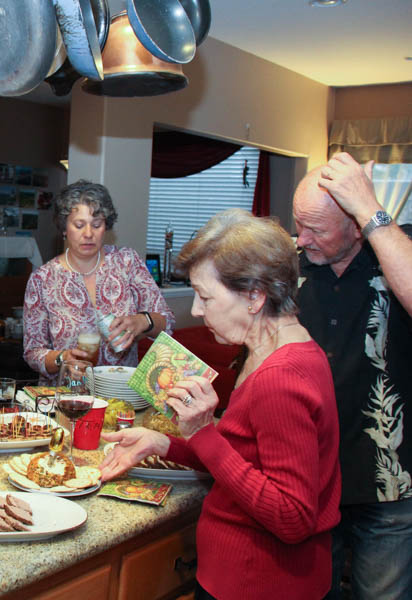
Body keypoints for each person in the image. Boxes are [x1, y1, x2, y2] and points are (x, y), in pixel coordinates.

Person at [100, 209, 341, 600]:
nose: (195, 309)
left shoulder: (280, 379)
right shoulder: (282, 349)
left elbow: (292, 517)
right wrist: (164, 444)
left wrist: (201, 431)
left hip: (257, 582)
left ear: (254, 296)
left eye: (205, 296)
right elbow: (245, 458)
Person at [292, 152, 412, 600]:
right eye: (299, 224)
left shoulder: (397, 249)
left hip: (387, 482)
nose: (302, 239)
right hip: (309, 479)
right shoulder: (293, 264)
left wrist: (370, 209)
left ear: (357, 226)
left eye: (317, 229)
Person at [23, 180, 173, 382]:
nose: (88, 234)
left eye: (97, 224)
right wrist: (62, 358)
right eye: (79, 225)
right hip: (66, 398)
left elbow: (167, 321)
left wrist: (143, 321)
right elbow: (33, 352)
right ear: (64, 228)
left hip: (120, 394)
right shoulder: (43, 279)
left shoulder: (127, 262)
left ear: (106, 226)